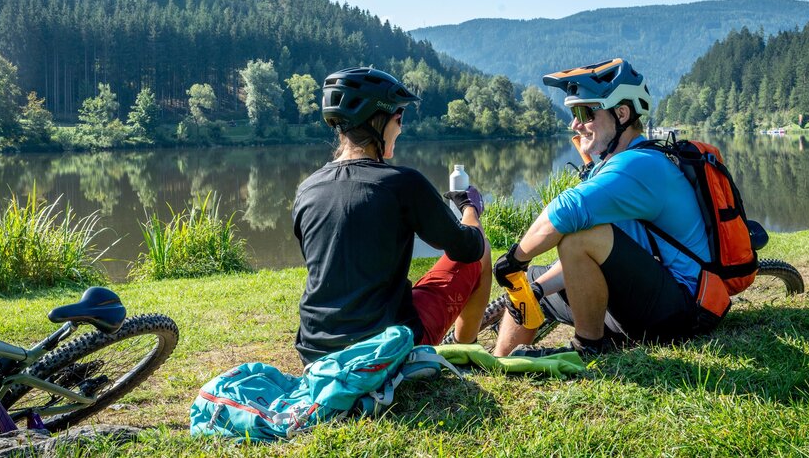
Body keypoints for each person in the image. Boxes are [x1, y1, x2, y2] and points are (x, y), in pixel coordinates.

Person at [490, 58, 709, 357]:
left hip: (679, 311)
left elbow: (567, 210)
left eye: (584, 113)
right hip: (640, 301)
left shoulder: (640, 165)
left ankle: (588, 348)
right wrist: (534, 289)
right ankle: (502, 363)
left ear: (621, 113)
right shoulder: (614, 166)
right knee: (527, 285)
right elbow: (587, 258)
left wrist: (514, 259)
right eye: (573, 113)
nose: (575, 124)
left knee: (578, 236)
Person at [293, 67, 492, 365]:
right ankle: (466, 351)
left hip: (315, 353)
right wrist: (470, 207)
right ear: (378, 121)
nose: (400, 127)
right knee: (483, 250)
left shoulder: (307, 189)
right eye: (399, 117)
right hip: (385, 350)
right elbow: (468, 248)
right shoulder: (402, 183)